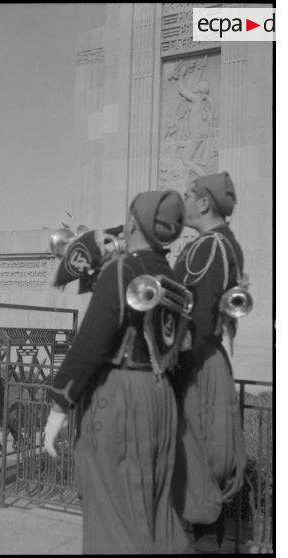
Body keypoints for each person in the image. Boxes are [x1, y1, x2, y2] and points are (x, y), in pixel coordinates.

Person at [44, 190, 189, 554]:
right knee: (150, 508)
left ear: (133, 222)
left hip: (121, 396)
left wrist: (59, 406)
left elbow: (90, 344)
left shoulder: (123, 269)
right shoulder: (169, 273)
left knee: (113, 512)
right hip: (159, 395)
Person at [171, 171, 247, 552]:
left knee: (194, 463)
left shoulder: (208, 247)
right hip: (209, 362)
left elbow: (196, 321)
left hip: (196, 365)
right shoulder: (226, 244)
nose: (182, 201)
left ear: (203, 203)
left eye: (187, 195)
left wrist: (170, 369)